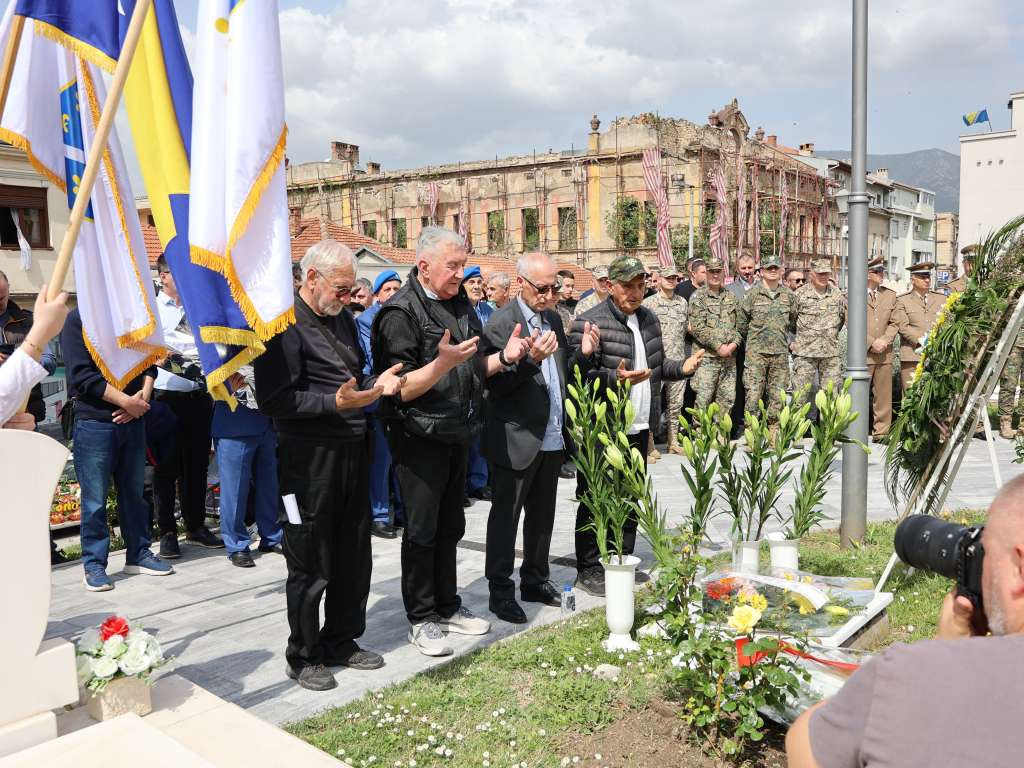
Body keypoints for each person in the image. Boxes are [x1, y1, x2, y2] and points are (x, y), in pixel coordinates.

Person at [785, 473, 1024, 768]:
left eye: (986, 551)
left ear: (1019, 568)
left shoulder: (907, 677)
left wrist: (944, 656)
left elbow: (804, 748)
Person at [372, 226, 535, 656]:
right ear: (424, 267)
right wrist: (441, 365)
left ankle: (447, 605)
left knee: (451, 525)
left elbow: (472, 366)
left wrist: (506, 358)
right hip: (418, 434)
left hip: (458, 431)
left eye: (463, 265)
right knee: (422, 529)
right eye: (453, 266)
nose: (461, 274)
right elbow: (400, 386)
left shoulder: (460, 303)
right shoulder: (400, 313)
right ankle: (421, 617)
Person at [255, 239, 405, 691]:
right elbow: (274, 400)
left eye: (351, 290)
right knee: (309, 557)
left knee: (352, 554)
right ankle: (302, 654)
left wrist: (373, 386)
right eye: (341, 289)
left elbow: (349, 379)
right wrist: (332, 403)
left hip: (352, 450)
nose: (348, 298)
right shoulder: (281, 326)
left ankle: (341, 638)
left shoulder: (341, 320)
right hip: (306, 460)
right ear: (312, 278)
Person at [568, 255, 703, 595]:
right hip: (604, 424)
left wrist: (682, 368)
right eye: (627, 286)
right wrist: (616, 377)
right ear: (610, 286)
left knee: (630, 495)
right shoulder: (588, 322)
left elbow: (654, 367)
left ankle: (621, 559)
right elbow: (575, 374)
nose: (634, 292)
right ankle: (588, 568)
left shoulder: (649, 319)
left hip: (639, 424)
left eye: (640, 285)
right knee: (594, 496)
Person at [482, 252, 590, 623]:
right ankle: (500, 590)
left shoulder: (553, 319)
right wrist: (527, 360)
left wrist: (582, 354)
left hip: (551, 435)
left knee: (543, 516)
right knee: (505, 518)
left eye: (553, 288)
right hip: (516, 437)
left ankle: (535, 578)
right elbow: (493, 386)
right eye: (542, 288)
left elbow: (559, 373)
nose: (548, 295)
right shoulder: (501, 323)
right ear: (521, 283)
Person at [62, 307, 173, 591]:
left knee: (135, 493)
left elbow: (148, 361)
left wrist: (142, 398)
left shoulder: (128, 314)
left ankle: (138, 553)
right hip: (95, 423)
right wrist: (126, 402)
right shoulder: (79, 320)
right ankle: (95, 564)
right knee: (95, 500)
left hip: (134, 419)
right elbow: (81, 376)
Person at [153, 255, 223, 558]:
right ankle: (167, 531)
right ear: (163, 276)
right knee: (166, 468)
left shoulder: (198, 306)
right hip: (166, 399)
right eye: (175, 273)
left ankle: (195, 525)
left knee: (196, 466)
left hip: (199, 397)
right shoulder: (153, 310)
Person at [210, 365, 283, 568]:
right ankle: (237, 545)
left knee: (269, 486)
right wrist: (225, 386)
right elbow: (207, 365)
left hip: (266, 420)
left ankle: (272, 536)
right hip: (234, 422)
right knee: (234, 492)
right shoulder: (222, 333)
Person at [357, 270, 405, 538]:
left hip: (404, 396)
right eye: (388, 289)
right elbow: (375, 360)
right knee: (381, 463)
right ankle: (379, 515)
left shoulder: (405, 314)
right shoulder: (367, 320)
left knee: (400, 461)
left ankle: (401, 511)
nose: (394, 293)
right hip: (379, 398)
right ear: (377, 295)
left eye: (398, 288)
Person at [736, 253, 795, 427]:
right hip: (756, 355)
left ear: (781, 271)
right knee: (753, 395)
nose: (772, 271)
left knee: (777, 395)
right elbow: (741, 323)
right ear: (761, 271)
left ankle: (773, 430)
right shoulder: (752, 294)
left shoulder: (788, 296)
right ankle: (752, 431)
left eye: (776, 268)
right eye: (769, 268)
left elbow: (793, 321)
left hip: (779, 354)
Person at [0, 283, 68, 428]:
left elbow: (49, 362)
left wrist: (17, 363)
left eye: (2, 297)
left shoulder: (29, 321)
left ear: (8, 289)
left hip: (25, 413)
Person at [642, 265, 688, 453]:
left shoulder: (682, 303)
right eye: (668, 277)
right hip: (656, 361)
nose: (671, 280)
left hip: (677, 361)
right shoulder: (649, 304)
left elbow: (685, 328)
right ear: (659, 279)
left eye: (674, 278)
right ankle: (650, 444)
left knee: (676, 404)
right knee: (653, 403)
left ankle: (673, 442)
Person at [688, 256, 740, 419]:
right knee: (703, 401)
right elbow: (698, 328)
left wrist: (733, 345)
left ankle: (719, 437)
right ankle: (701, 438)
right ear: (707, 273)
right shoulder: (698, 297)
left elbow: (740, 326)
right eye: (711, 271)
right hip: (707, 359)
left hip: (728, 360)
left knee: (727, 400)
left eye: (718, 271)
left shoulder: (731, 296)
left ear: (723, 272)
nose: (715, 275)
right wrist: (718, 346)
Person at [791, 258, 846, 408]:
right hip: (805, 353)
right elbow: (791, 320)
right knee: (799, 397)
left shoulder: (837, 294)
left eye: (826, 274)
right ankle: (797, 430)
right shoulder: (799, 294)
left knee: (831, 398)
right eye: (820, 274)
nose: (824, 277)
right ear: (812, 274)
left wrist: (828, 334)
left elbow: (841, 319)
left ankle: (828, 431)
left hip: (830, 354)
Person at [462, 265, 492, 501]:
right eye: (471, 282)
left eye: (479, 282)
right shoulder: (460, 311)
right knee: (465, 436)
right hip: (465, 379)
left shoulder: (488, 311)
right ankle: (463, 484)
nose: (476, 286)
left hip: (486, 378)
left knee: (481, 433)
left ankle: (478, 481)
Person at [892, 262, 944, 395]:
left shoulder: (941, 299)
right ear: (913, 280)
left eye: (928, 276)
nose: (927, 280)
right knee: (912, 396)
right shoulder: (902, 300)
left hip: (937, 356)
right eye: (922, 277)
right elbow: (903, 327)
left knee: (935, 396)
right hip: (912, 355)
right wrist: (923, 341)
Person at [866, 258, 899, 441]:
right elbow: (851, 322)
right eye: (878, 272)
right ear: (868, 274)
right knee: (858, 395)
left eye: (882, 272)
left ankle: (882, 432)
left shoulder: (890, 295)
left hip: (884, 352)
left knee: (883, 395)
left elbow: (895, 321)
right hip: (863, 352)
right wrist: (871, 342)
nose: (882, 275)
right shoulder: (852, 295)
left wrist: (885, 341)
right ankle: (855, 430)